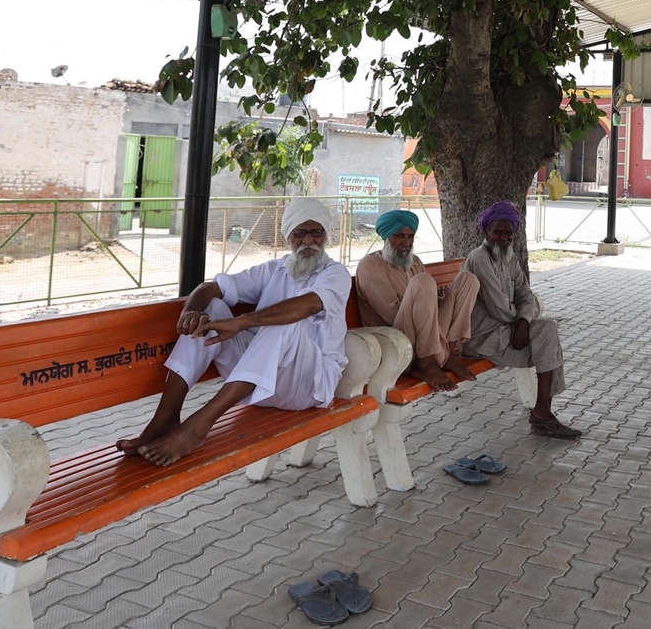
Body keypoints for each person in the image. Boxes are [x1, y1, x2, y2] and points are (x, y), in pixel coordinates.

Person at [116, 197, 351, 466]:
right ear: (288, 236)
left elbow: (309, 304)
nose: (308, 240)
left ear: (325, 236)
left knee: (285, 323)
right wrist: (191, 311)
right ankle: (165, 417)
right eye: (300, 232)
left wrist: (243, 322)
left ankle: (199, 425)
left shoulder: (335, 273)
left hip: (308, 386)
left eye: (316, 232)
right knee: (212, 309)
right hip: (256, 386)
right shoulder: (274, 269)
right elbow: (210, 288)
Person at [460, 200, 583, 439]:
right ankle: (542, 415)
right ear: (487, 232)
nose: (504, 238)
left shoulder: (509, 258)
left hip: (508, 331)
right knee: (547, 346)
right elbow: (497, 308)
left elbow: (527, 296)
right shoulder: (479, 258)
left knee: (547, 331)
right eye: (498, 232)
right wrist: (521, 320)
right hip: (483, 338)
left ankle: (542, 412)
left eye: (509, 233)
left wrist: (524, 322)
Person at [355, 209, 482, 392]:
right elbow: (392, 315)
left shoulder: (414, 262)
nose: (406, 243)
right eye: (399, 236)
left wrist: (434, 308)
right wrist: (428, 308)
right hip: (395, 340)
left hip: (426, 336)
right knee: (423, 282)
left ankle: (450, 350)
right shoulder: (370, 266)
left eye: (410, 236)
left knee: (468, 280)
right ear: (386, 237)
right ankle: (428, 362)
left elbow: (426, 309)